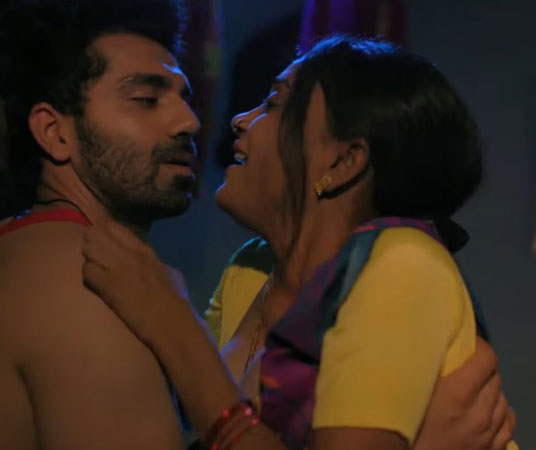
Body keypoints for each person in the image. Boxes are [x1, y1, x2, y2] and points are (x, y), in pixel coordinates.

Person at [82, 35, 518, 450]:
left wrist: (173, 326)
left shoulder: (403, 262)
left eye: (274, 104)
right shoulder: (251, 270)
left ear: (343, 162)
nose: (240, 120)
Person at [0, 0, 199, 448]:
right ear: (54, 132)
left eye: (184, 97)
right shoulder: (87, 286)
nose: (188, 121)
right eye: (146, 100)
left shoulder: (30, 250)